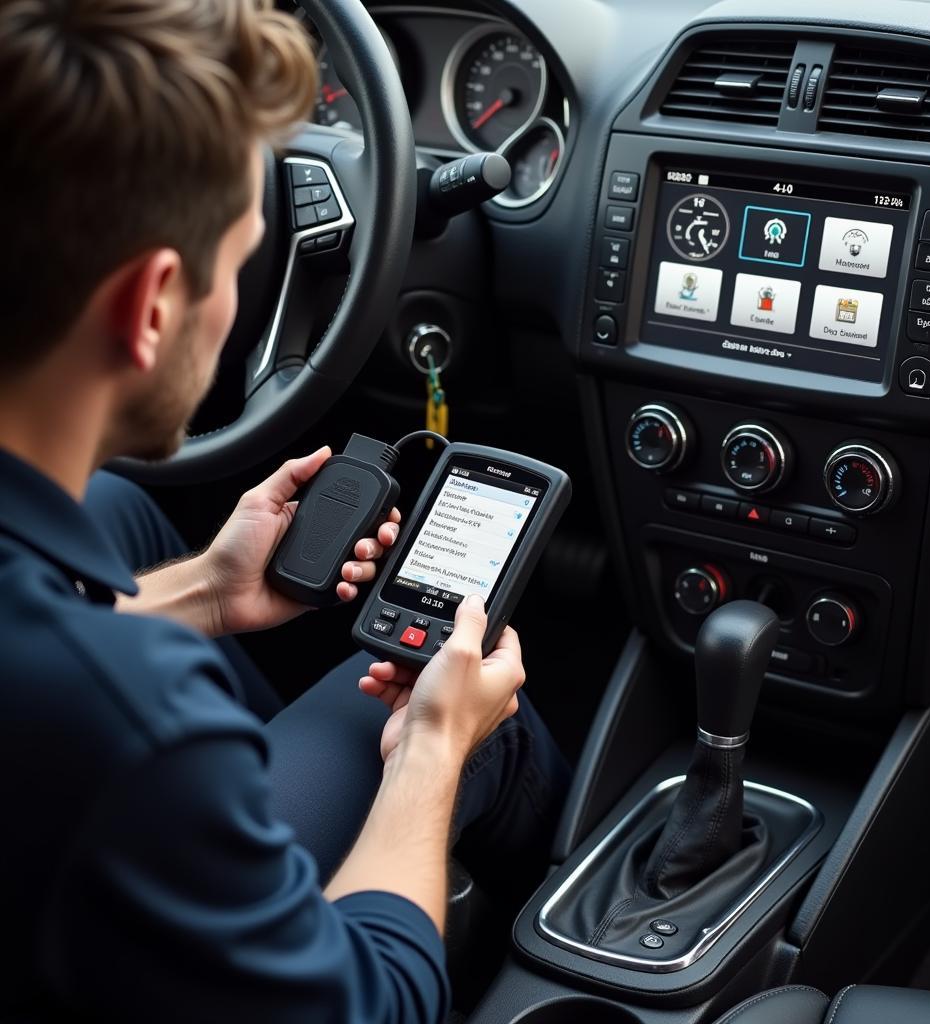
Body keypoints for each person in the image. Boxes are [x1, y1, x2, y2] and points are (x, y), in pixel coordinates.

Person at [0, 1, 570, 1020]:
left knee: (123, 511)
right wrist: (434, 753)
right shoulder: (128, 716)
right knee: (440, 695)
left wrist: (207, 596)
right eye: (243, 255)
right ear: (151, 303)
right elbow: (373, 1005)